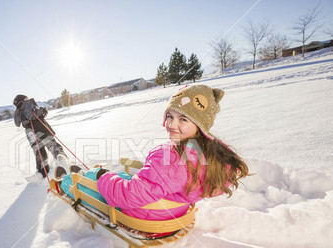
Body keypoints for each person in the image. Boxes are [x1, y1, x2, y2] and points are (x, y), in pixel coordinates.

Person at [56, 85, 249, 222]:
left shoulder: (171, 157)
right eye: (170, 116)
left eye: (183, 119)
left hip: (144, 214)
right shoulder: (212, 154)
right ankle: (87, 176)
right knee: (122, 176)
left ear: (200, 126)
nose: (172, 124)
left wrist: (104, 178)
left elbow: (130, 196)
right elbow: (158, 182)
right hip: (174, 208)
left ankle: (67, 181)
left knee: (96, 180)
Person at [13, 94, 69, 178]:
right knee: (53, 146)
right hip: (40, 129)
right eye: (26, 98)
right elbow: (31, 115)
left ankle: (42, 173)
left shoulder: (18, 111)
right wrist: (43, 111)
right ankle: (63, 161)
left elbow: (18, 123)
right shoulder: (27, 103)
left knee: (39, 152)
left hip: (30, 133)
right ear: (24, 99)